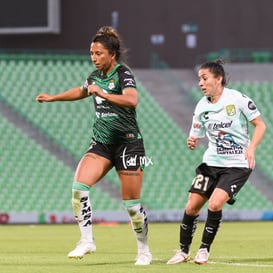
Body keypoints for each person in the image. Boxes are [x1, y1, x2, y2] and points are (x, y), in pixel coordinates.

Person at [36, 26, 152, 266]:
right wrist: (53, 97)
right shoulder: (94, 77)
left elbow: (132, 100)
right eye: (91, 53)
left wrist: (104, 93)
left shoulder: (123, 73)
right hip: (102, 144)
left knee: (131, 204)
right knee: (79, 188)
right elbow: (81, 91)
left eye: (98, 53)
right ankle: (87, 240)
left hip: (129, 144)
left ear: (112, 54)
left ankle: (143, 250)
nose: (94, 57)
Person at [167, 60, 266, 265]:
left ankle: (204, 250)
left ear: (218, 79)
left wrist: (251, 148)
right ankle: (183, 251)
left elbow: (260, 125)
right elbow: (195, 134)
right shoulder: (202, 105)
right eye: (199, 80)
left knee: (214, 203)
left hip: (237, 164)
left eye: (205, 78)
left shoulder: (236, 99)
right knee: (191, 207)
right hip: (211, 163)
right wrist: (192, 140)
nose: (201, 83)